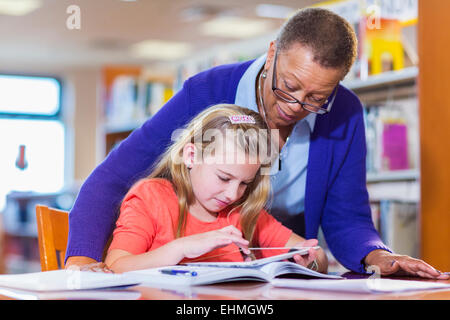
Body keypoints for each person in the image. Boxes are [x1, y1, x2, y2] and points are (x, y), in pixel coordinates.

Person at [66, 7, 448, 279]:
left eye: (317, 98)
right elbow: (114, 178)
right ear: (271, 54)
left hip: (271, 277)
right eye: (289, 86)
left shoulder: (344, 112)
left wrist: (376, 255)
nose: (296, 107)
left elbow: (347, 217)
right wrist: (82, 264)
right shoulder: (207, 91)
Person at [104, 104, 327, 273]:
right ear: (191, 156)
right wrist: (181, 248)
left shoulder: (243, 211)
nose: (233, 194)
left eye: (244, 183)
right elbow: (116, 266)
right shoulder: (150, 198)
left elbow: (315, 253)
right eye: (223, 177)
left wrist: (311, 261)